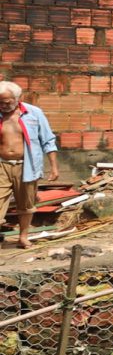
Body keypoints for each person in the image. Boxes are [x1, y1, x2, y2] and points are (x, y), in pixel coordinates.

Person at [0, 81, 61, 249]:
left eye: (7, 102)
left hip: (27, 166)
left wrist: (54, 167)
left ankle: (23, 237)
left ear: (18, 98)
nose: (3, 106)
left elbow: (48, 140)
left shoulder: (34, 114)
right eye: (0, 102)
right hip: (1, 166)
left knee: (26, 205)